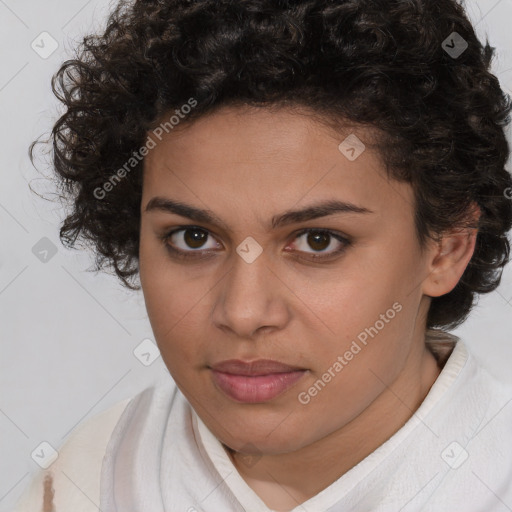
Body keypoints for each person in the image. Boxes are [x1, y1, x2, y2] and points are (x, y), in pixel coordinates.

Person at [15, 0, 512, 510]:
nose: (244, 313)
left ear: (447, 248)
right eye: (192, 238)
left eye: (319, 241)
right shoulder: (86, 482)